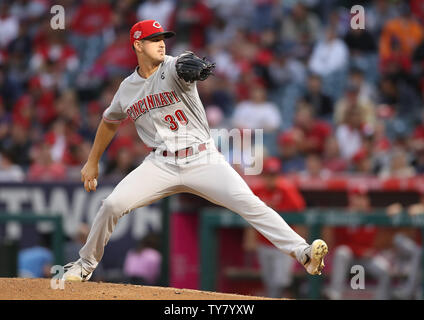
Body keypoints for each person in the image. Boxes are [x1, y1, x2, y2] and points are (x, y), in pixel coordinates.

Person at [62, 20, 328, 282]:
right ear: (138, 45)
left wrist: (194, 68)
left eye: (163, 38)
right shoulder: (126, 88)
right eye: (154, 39)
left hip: (203, 159)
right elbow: (109, 121)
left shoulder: (174, 66)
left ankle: (303, 253)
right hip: (160, 163)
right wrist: (92, 161)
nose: (161, 44)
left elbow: (186, 63)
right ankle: (85, 265)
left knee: (251, 205)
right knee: (111, 205)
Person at [243, 157, 306, 298]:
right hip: (264, 243)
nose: (271, 178)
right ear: (264, 175)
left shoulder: (287, 190)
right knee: (269, 283)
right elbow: (249, 216)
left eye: (274, 175)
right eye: (268, 175)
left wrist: (300, 244)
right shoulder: (257, 190)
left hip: (284, 245)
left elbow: (301, 216)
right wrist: (250, 239)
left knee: (281, 282)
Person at [324, 185, 392, 300]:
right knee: (342, 252)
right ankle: (335, 294)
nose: (360, 201)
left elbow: (379, 241)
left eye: (363, 198)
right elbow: (339, 245)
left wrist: (391, 211)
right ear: (351, 200)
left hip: (367, 259)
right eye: (357, 198)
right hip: (349, 258)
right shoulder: (343, 216)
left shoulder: (373, 215)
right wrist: (360, 250)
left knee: (385, 269)